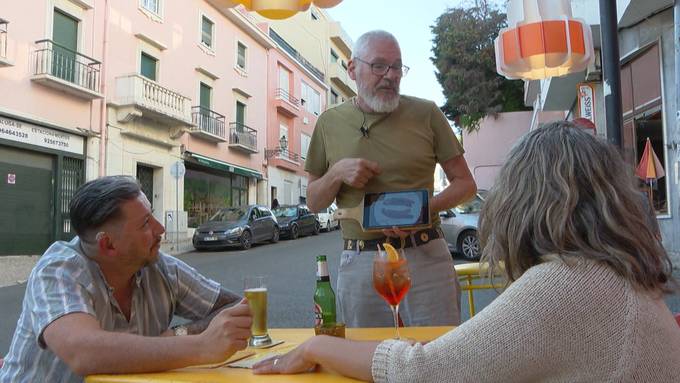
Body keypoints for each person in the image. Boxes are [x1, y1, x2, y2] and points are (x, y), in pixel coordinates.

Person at [253, 121, 680, 382]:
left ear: (524, 202)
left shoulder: (567, 284)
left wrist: (314, 348)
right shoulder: (614, 273)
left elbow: (424, 373)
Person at [0, 176, 252, 382]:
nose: (160, 228)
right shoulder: (59, 269)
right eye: (145, 224)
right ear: (107, 244)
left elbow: (237, 307)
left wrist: (179, 334)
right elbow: (83, 352)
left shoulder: (159, 266)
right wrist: (201, 347)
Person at [304, 30, 477, 327]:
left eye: (397, 67)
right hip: (360, 262)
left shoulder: (427, 114)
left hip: (425, 255)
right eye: (379, 65)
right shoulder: (328, 123)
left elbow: (466, 185)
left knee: (437, 359)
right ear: (352, 69)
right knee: (368, 362)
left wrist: (423, 211)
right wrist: (337, 173)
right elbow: (314, 202)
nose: (390, 75)